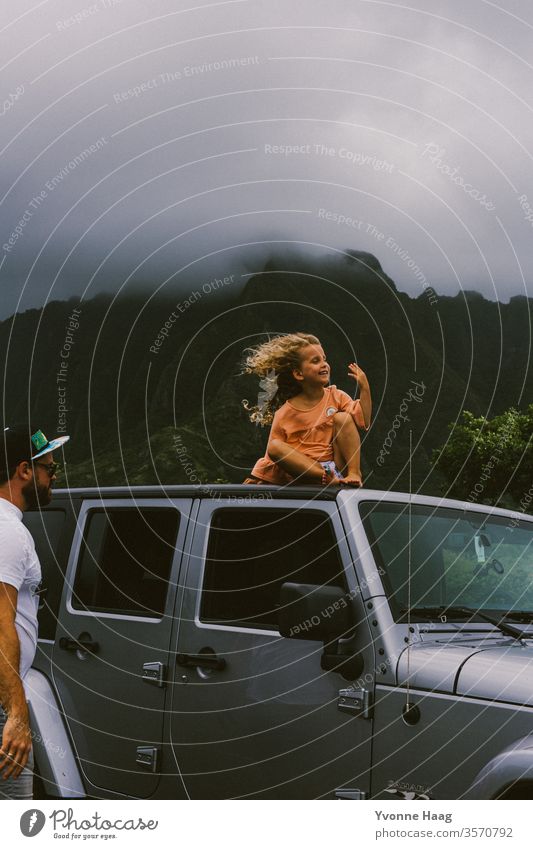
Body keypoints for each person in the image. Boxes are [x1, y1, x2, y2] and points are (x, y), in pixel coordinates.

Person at [0, 426, 69, 799]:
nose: (52, 479)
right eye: (49, 469)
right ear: (24, 470)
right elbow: (0, 624)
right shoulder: (7, 531)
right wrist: (16, 713)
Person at [242, 333, 371, 486]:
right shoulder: (285, 413)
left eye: (324, 359)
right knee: (275, 446)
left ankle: (354, 474)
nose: (324, 364)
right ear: (298, 374)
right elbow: (272, 456)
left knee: (343, 418)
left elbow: (363, 420)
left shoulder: (337, 396)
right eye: (316, 361)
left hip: (336, 469)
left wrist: (365, 388)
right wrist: (259, 480)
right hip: (304, 474)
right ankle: (324, 476)